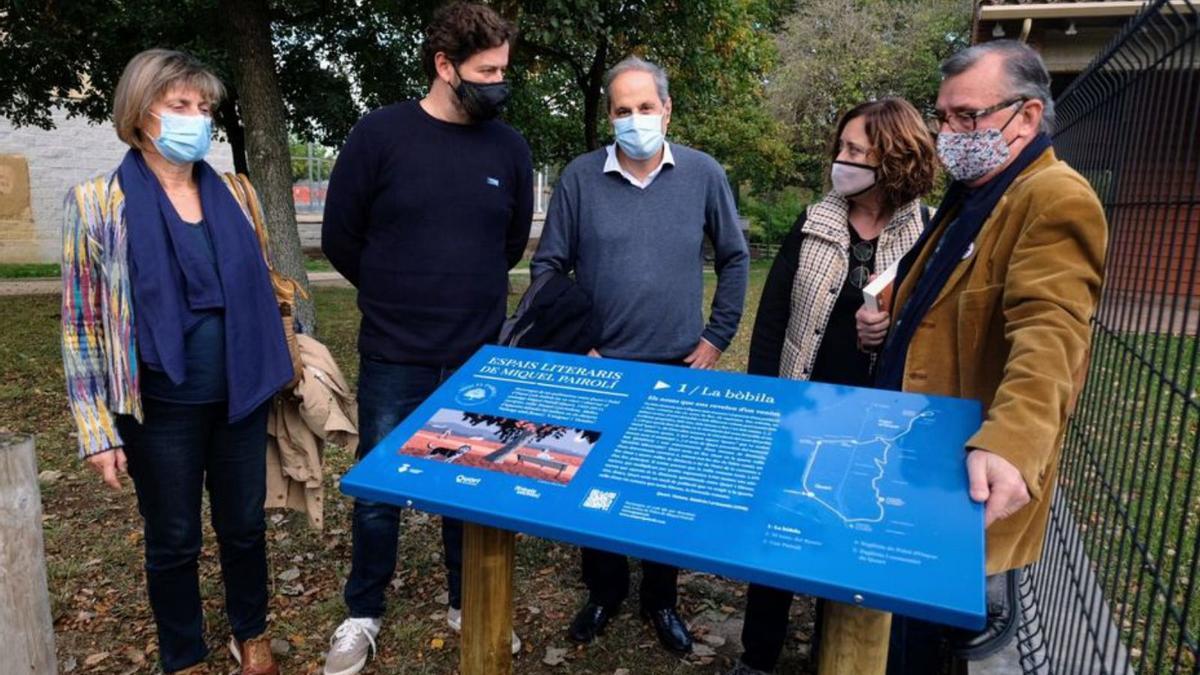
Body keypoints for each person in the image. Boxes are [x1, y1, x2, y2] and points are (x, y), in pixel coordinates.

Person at [858, 40, 1106, 673]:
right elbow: (950, 300)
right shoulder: (975, 193)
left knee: (923, 642)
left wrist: (1014, 441)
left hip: (957, 477)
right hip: (911, 454)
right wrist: (887, 323)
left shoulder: (1055, 197)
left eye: (967, 117)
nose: (949, 133)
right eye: (944, 116)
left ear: (1025, 116)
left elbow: (1052, 328)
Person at [61, 49, 292, 675]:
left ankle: (252, 631)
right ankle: (183, 654)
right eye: (180, 105)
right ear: (141, 115)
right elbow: (81, 326)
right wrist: (96, 430)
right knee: (173, 540)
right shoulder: (95, 203)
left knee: (244, 526)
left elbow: (262, 289)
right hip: (158, 406)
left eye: (205, 107)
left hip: (239, 395)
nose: (198, 119)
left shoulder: (238, 195)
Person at [319, 3, 533, 673]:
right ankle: (363, 609)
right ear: (445, 66)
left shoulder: (510, 147)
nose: (500, 81)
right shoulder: (379, 135)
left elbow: (509, 240)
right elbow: (340, 238)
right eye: (486, 70)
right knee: (381, 489)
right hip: (394, 349)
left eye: (505, 69)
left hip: (478, 354)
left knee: (468, 484)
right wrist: (395, 291)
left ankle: (466, 598)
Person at [532, 55, 750, 655]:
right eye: (623, 110)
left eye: (645, 108)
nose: (635, 120)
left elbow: (734, 257)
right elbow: (549, 266)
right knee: (593, 487)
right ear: (609, 116)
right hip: (600, 366)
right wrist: (580, 345)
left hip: (680, 366)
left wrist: (717, 336)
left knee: (664, 495)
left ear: (667, 109)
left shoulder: (704, 174)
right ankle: (603, 592)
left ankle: (660, 599)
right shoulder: (579, 178)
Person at [725, 97, 938, 675]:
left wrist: (891, 332)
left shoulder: (927, 231)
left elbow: (934, 334)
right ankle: (758, 654)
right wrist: (767, 403)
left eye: (853, 151)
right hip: (803, 402)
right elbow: (771, 317)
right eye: (840, 147)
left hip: (876, 417)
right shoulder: (815, 219)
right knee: (779, 527)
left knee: (846, 530)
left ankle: (833, 646)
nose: (839, 161)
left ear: (891, 160)